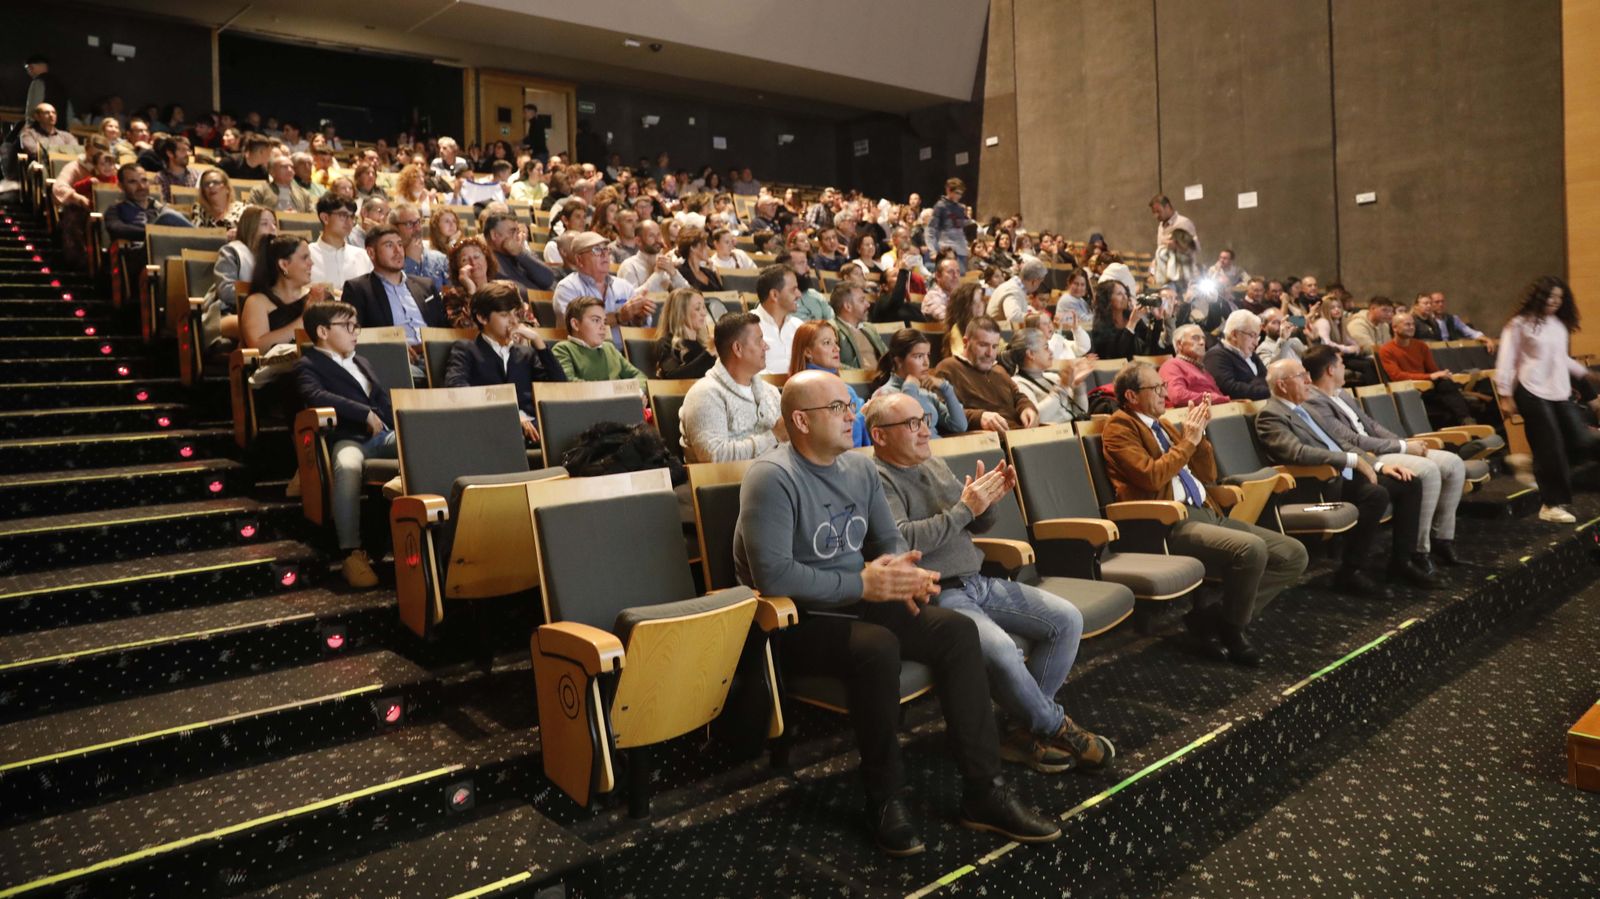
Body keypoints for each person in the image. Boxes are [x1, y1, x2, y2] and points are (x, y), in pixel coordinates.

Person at [734, 370, 1061, 856]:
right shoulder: (771, 477)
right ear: (801, 420)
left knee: (955, 630)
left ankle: (984, 792)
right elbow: (774, 578)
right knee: (878, 646)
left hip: (861, 600)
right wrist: (865, 582)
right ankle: (885, 798)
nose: (852, 417)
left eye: (850, 406)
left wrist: (903, 573)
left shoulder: (860, 468)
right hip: (797, 620)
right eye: (838, 409)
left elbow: (888, 542)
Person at [867, 390, 1112, 769]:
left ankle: (1018, 730)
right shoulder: (877, 480)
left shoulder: (932, 463)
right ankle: (1055, 725)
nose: (923, 431)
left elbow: (976, 524)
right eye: (912, 424)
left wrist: (987, 504)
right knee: (1001, 651)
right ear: (880, 436)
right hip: (939, 594)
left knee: (1067, 620)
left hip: (977, 580)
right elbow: (904, 541)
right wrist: (966, 508)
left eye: (926, 421)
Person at [1102, 363, 1309, 664]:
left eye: (1163, 385)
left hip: (1205, 511)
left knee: (1294, 554)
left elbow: (1206, 474)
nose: (1164, 393)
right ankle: (1233, 629)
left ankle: (1212, 619)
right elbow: (1151, 477)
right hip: (1167, 523)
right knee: (1250, 549)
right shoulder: (1119, 428)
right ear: (1132, 396)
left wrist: (1199, 439)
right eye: (1156, 388)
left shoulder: (1164, 426)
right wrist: (1189, 441)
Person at [1256, 358, 1433, 593]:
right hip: (1317, 484)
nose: (1309, 380)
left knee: (1409, 482)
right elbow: (1297, 453)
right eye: (1300, 376)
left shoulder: (1305, 409)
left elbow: (1341, 443)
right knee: (1375, 494)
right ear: (1282, 385)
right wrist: (1350, 460)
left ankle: (1402, 562)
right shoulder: (1270, 416)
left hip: (1344, 475)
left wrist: (1379, 466)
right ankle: (1351, 572)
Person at [1302, 345, 1464, 568]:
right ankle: (1419, 550)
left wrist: (1404, 443)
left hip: (1383, 447)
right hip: (1369, 454)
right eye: (1341, 364)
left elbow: (1371, 425)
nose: (1345, 367)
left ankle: (1442, 538)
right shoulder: (1314, 401)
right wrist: (1402, 448)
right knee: (1428, 470)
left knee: (1454, 464)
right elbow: (1351, 440)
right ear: (1330, 370)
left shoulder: (1342, 394)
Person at [293, 301, 397, 587]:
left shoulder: (361, 361)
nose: (355, 333)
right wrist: (362, 412)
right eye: (347, 326)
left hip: (384, 435)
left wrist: (390, 418)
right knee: (347, 466)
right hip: (348, 438)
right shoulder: (307, 364)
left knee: (419, 446)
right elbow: (316, 396)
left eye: (356, 326)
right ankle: (351, 552)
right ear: (323, 331)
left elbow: (382, 399)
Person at [1494, 276, 1600, 524]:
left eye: (1560, 298)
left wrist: (1585, 374)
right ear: (1538, 296)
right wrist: (1505, 395)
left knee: (1582, 440)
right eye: (1550, 296)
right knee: (1549, 446)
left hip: (1558, 391)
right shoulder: (1519, 324)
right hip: (1530, 391)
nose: (1555, 302)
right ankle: (1551, 504)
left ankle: (1531, 465)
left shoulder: (1558, 325)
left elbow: (1561, 358)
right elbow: (1506, 360)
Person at [444, 281, 565, 446]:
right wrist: (512, 416)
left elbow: (560, 388)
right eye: (504, 315)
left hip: (534, 429)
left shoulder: (526, 354)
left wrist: (538, 342)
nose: (513, 321)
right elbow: (456, 389)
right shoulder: (466, 349)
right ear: (482, 317)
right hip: (491, 428)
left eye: (515, 314)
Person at [680, 312, 784, 462]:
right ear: (738, 348)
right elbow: (714, 456)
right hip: (732, 483)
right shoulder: (704, 394)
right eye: (759, 340)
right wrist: (774, 436)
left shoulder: (771, 392)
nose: (766, 346)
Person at [340, 223, 443, 362]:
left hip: (436, 356)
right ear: (371, 253)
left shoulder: (425, 285)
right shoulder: (358, 289)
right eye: (389, 245)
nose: (398, 251)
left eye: (400, 245)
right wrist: (394, 349)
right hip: (394, 360)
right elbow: (354, 336)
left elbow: (444, 328)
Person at [935, 317, 1038, 432]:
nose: (990, 353)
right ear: (965, 342)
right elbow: (942, 411)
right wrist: (979, 418)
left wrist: (1027, 408)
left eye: (994, 347)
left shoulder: (999, 370)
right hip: (988, 441)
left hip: (1020, 435)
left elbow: (1018, 397)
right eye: (983, 345)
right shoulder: (948, 368)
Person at [1378, 311, 1477, 427]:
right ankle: (1465, 417)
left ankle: (1466, 420)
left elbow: (1433, 370)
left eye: (1413, 324)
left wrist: (1441, 374)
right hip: (1408, 389)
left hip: (1427, 387)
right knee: (1454, 399)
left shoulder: (1421, 346)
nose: (1411, 327)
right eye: (1407, 325)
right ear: (1394, 328)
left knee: (1446, 384)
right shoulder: (1386, 350)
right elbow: (1397, 376)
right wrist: (1429, 376)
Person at [873, 329, 968, 437]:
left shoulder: (925, 393)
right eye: (919, 356)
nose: (926, 362)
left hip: (939, 450)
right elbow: (908, 432)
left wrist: (946, 388)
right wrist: (909, 388)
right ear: (899, 361)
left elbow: (960, 426)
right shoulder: (884, 395)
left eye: (927, 355)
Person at [789, 321, 869, 446]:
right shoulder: (809, 389)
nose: (837, 348)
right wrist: (864, 414)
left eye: (835, 342)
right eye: (827, 343)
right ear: (808, 352)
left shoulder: (841, 385)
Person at [550, 231, 654, 326]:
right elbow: (577, 327)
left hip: (625, 346)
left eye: (606, 249)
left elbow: (644, 327)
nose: (604, 254)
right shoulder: (568, 288)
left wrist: (638, 317)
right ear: (579, 259)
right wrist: (619, 316)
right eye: (597, 250)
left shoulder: (624, 286)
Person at [206, 205, 276, 345]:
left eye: (274, 223)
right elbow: (226, 291)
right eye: (264, 224)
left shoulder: (277, 258)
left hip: (265, 314)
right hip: (229, 313)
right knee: (261, 328)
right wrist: (261, 299)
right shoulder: (231, 252)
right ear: (249, 227)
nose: (272, 228)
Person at [240, 235, 317, 350]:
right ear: (284, 265)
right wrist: (305, 318)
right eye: (304, 258)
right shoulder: (257, 302)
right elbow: (258, 346)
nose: (311, 263)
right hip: (279, 366)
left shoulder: (315, 296)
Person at [552, 296, 647, 388]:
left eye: (604, 322)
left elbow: (640, 377)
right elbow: (569, 384)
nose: (603, 327)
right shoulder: (563, 349)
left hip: (621, 402)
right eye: (596, 320)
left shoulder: (609, 348)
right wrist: (616, 391)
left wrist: (639, 392)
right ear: (575, 324)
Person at [1007, 328, 1089, 424]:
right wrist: (1062, 387)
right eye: (1046, 347)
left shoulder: (1053, 377)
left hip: (1072, 432)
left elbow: (1080, 412)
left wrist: (1078, 386)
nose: (1051, 352)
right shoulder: (1018, 384)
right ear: (1031, 354)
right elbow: (1035, 419)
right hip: (1054, 436)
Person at [103, 163, 192, 243]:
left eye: (144, 180)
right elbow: (116, 229)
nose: (141, 187)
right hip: (138, 251)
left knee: (171, 214)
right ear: (121, 186)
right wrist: (154, 233)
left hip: (167, 248)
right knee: (168, 216)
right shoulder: (115, 210)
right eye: (133, 182)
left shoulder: (159, 207)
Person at [307, 194, 372, 290]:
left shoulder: (362, 255)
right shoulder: (307, 254)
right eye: (343, 215)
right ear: (325, 218)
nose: (349, 222)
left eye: (352, 217)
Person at [1088, 279, 1164, 360]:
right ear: (1107, 298)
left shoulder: (1130, 316)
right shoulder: (1101, 324)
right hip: (1113, 369)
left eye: (1125, 293)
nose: (1125, 297)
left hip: (1134, 365)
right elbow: (1117, 355)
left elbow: (1151, 343)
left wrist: (1158, 320)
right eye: (1119, 294)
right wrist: (1131, 324)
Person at [1203, 309, 1270, 400]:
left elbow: (1267, 378)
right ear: (1234, 334)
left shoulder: (1251, 354)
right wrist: (1266, 390)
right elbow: (1229, 388)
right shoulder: (1216, 356)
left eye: (1257, 337)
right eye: (1252, 335)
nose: (1256, 343)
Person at [653, 288, 716, 379]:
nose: (704, 313)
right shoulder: (666, 343)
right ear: (681, 313)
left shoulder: (704, 343)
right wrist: (709, 353)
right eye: (697, 308)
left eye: (704, 307)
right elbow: (672, 376)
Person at [482, 212, 555, 291]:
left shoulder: (522, 252)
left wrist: (521, 254)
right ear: (494, 235)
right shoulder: (485, 261)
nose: (518, 236)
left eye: (518, 231)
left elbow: (548, 280)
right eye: (512, 231)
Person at [753, 263, 802, 375]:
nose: (799, 294)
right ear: (774, 295)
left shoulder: (799, 326)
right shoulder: (747, 327)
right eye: (793, 290)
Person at [831, 284, 886, 370]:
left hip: (883, 380)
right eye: (862, 300)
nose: (868, 304)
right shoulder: (832, 330)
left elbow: (887, 356)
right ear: (848, 307)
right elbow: (831, 363)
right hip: (855, 381)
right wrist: (860, 376)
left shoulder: (869, 328)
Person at [925, 178, 971, 271]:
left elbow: (960, 231)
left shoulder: (960, 208)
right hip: (946, 248)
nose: (959, 196)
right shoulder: (940, 206)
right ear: (948, 190)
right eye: (957, 193)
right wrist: (933, 250)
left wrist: (965, 246)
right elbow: (931, 230)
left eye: (961, 194)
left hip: (961, 249)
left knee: (960, 278)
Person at [986, 258, 1046, 326]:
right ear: (1034, 282)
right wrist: (1038, 318)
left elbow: (1018, 306)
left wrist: (1034, 313)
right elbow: (1013, 316)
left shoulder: (1015, 285)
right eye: (1040, 282)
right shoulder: (1013, 291)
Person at [1428, 291, 1495, 350]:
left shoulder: (1453, 319)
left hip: (1450, 352)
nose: (1441, 304)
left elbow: (1470, 332)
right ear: (1430, 304)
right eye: (1437, 302)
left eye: (1442, 301)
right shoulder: (1426, 321)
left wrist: (1486, 339)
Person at [248, 154, 313, 213]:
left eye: (292, 167)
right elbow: (252, 215)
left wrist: (296, 216)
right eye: (284, 167)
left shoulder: (303, 194)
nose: (290, 170)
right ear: (272, 172)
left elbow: (313, 217)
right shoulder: (259, 191)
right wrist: (280, 215)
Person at [1151, 194, 1198, 260]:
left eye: (1158, 211)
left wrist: (1176, 247)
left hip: (1182, 268)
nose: (1156, 215)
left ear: (1167, 207)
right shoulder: (1160, 226)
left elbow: (1195, 248)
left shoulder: (1183, 222)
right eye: (1154, 212)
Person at [921, 257, 962, 322]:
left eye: (958, 271)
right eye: (950, 272)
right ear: (938, 276)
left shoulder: (959, 294)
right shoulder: (933, 296)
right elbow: (949, 321)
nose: (955, 275)